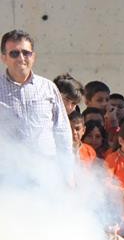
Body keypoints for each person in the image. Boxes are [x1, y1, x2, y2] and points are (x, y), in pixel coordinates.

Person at [0, 30, 72, 175]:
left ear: (33, 56)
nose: (21, 58)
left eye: (26, 53)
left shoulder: (48, 88)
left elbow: (62, 132)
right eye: (14, 53)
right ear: (3, 58)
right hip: (8, 174)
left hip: (46, 172)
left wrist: (68, 173)